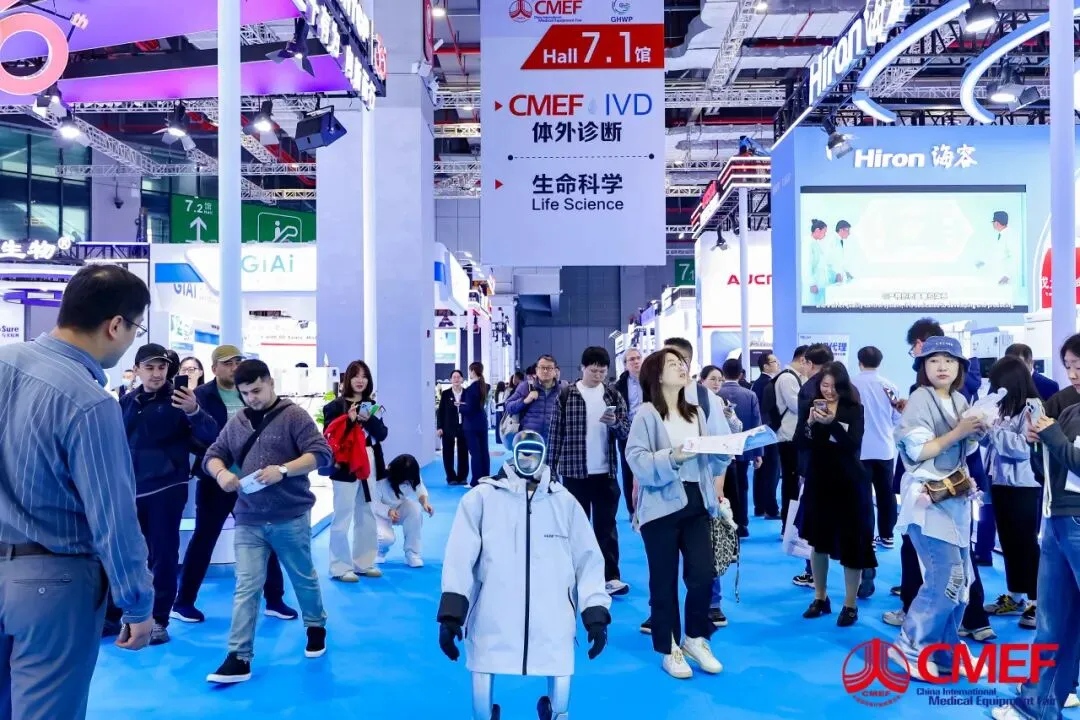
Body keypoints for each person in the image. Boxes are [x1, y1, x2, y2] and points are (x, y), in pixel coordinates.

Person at [0, 265, 156, 720]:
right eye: (136, 328)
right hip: (53, 585)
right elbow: (114, 519)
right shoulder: (90, 403)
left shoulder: (4, 362)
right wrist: (137, 603)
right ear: (115, 325)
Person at [438, 430, 611, 720]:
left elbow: (589, 559)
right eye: (523, 452)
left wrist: (595, 612)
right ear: (513, 454)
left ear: (545, 456)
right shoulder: (481, 499)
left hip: (553, 623)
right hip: (492, 620)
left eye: (535, 453)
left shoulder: (564, 502)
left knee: (561, 702)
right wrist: (452, 614)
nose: (529, 460)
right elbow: (459, 557)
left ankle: (554, 711)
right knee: (481, 700)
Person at [204, 359, 333, 684]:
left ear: (270, 382)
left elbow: (321, 453)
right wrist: (221, 474)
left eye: (257, 390)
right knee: (246, 586)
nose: (252, 398)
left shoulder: (294, 416)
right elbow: (213, 455)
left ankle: (315, 625)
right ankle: (238, 657)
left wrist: (284, 470)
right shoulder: (238, 422)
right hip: (249, 517)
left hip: (290, 515)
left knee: (303, 577)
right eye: (246, 393)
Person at [626, 348, 731, 678]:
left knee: (703, 574)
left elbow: (711, 460)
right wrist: (671, 456)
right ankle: (668, 646)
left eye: (682, 363)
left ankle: (695, 639)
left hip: (697, 501)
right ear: (657, 375)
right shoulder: (646, 414)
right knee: (663, 580)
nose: (681, 368)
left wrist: (727, 450)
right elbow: (636, 459)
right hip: (660, 506)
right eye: (672, 364)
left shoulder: (696, 412)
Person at [173, 345, 294, 624]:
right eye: (227, 363)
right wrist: (216, 462)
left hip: (253, 481)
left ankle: (275, 599)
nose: (234, 367)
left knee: (264, 538)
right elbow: (194, 436)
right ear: (214, 368)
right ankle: (183, 602)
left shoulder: (250, 392)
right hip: (216, 480)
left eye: (237, 361)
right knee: (204, 538)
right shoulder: (200, 396)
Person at [995, 333, 1080, 720]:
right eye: (1069, 365)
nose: (1073, 373)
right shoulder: (1067, 406)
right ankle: (1038, 704)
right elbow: (1050, 467)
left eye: (1079, 365)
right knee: (1053, 619)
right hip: (1057, 518)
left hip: (1072, 519)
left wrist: (1051, 436)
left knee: (1058, 619)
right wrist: (1037, 442)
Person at [892, 336, 987, 679]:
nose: (942, 366)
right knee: (943, 579)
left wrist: (976, 432)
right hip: (927, 500)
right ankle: (910, 645)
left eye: (949, 360)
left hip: (954, 499)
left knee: (960, 583)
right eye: (933, 360)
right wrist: (961, 430)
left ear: (960, 367)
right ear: (922, 367)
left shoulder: (959, 399)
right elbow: (918, 450)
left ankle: (946, 651)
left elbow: (964, 449)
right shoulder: (921, 399)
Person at [120, 343, 219, 645]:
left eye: (161, 367)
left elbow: (212, 438)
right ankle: (130, 616)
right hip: (131, 491)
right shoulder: (125, 402)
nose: (156, 373)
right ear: (136, 370)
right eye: (149, 367)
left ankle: (159, 619)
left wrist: (194, 411)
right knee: (130, 556)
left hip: (167, 489)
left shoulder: (180, 400)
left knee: (163, 555)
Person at [798, 362, 877, 627]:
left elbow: (852, 444)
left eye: (834, 386)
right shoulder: (810, 407)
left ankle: (850, 604)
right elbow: (800, 443)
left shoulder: (854, 409)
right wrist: (810, 423)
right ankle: (820, 598)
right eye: (824, 385)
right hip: (818, 481)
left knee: (852, 545)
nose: (829, 391)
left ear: (843, 386)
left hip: (850, 483)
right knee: (818, 543)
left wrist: (831, 423)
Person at [548, 346, 631, 597]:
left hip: (606, 473)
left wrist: (615, 423)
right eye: (594, 370)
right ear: (582, 368)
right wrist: (550, 470)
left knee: (607, 528)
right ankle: (575, 575)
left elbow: (627, 432)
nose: (598, 375)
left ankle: (610, 577)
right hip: (574, 473)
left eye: (602, 371)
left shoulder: (613, 395)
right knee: (575, 527)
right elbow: (555, 434)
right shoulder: (566, 395)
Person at [982, 356, 1041, 630]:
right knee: (1008, 541)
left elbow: (1022, 447)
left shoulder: (1033, 408)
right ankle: (1016, 597)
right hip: (1000, 482)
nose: (995, 389)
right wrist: (981, 427)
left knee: (1026, 544)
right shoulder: (1004, 406)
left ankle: (1037, 602)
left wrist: (993, 430)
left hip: (1024, 486)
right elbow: (993, 443)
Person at [322, 360, 388, 581]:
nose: (360, 380)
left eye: (364, 376)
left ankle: (364, 562)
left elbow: (382, 434)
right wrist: (349, 421)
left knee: (367, 512)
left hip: (369, 461)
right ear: (347, 379)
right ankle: (339, 567)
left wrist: (368, 421)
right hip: (345, 464)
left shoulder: (372, 405)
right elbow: (330, 438)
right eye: (356, 376)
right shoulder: (334, 407)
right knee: (342, 514)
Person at [791, 343, 834, 589]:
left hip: (814, 461)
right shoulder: (845, 385)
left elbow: (804, 429)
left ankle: (811, 572)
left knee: (813, 518)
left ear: (808, 363)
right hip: (843, 459)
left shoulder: (809, 388)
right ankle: (863, 573)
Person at [850, 346, 902, 550]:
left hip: (860, 449)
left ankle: (867, 538)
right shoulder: (890, 386)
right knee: (886, 493)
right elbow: (897, 418)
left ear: (859, 362)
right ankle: (887, 535)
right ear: (880, 363)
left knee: (862, 495)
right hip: (884, 448)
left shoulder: (851, 384)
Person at [718, 358, 763, 537]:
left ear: (723, 373)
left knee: (722, 487)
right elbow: (756, 423)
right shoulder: (750, 395)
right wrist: (758, 453)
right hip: (743, 448)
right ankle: (742, 524)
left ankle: (726, 524)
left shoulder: (716, 394)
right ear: (740, 374)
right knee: (742, 485)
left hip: (720, 449)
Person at [374, 454, 433, 567]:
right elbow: (373, 504)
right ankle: (378, 551)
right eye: (404, 481)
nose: (407, 483)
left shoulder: (412, 474)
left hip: (398, 507)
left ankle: (412, 553)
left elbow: (420, 489)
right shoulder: (380, 479)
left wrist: (425, 503)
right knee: (386, 539)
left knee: (415, 509)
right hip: (379, 513)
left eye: (409, 480)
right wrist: (388, 511)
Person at [773, 346, 808, 533]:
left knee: (793, 483)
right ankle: (787, 525)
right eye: (809, 363)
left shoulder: (795, 377)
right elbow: (796, 406)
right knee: (791, 483)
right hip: (789, 437)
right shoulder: (787, 378)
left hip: (792, 436)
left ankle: (791, 525)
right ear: (802, 360)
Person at [751, 352, 782, 520]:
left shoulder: (757, 383)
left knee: (761, 471)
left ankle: (760, 506)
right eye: (774, 361)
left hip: (761, 432)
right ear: (765, 366)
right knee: (771, 471)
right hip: (769, 432)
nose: (778, 364)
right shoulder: (769, 384)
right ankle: (770, 508)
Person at [504, 354, 562, 443]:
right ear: (536, 370)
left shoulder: (562, 390)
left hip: (554, 442)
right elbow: (508, 407)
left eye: (549, 368)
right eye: (542, 367)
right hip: (528, 441)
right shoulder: (525, 386)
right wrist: (525, 400)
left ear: (555, 371)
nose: (545, 371)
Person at [615, 347, 644, 516]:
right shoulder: (619, 386)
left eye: (638, 358)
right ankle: (632, 510)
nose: (636, 361)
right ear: (625, 364)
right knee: (627, 471)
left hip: (649, 432)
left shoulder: (652, 381)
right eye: (631, 359)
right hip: (628, 432)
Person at [461, 362, 492, 487]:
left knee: (475, 453)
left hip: (471, 425)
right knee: (484, 451)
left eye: (470, 370)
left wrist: (459, 407)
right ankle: (486, 478)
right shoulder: (486, 386)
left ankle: (475, 481)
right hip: (482, 422)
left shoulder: (470, 389)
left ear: (473, 371)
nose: (469, 373)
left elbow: (469, 409)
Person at [437, 370, 470, 486]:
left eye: (458, 377)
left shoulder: (467, 393)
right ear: (451, 380)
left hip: (464, 426)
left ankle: (462, 477)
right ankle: (451, 477)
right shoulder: (446, 394)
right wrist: (439, 427)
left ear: (462, 379)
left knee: (463, 452)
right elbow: (440, 411)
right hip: (448, 426)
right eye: (454, 377)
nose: (456, 379)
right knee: (447, 452)